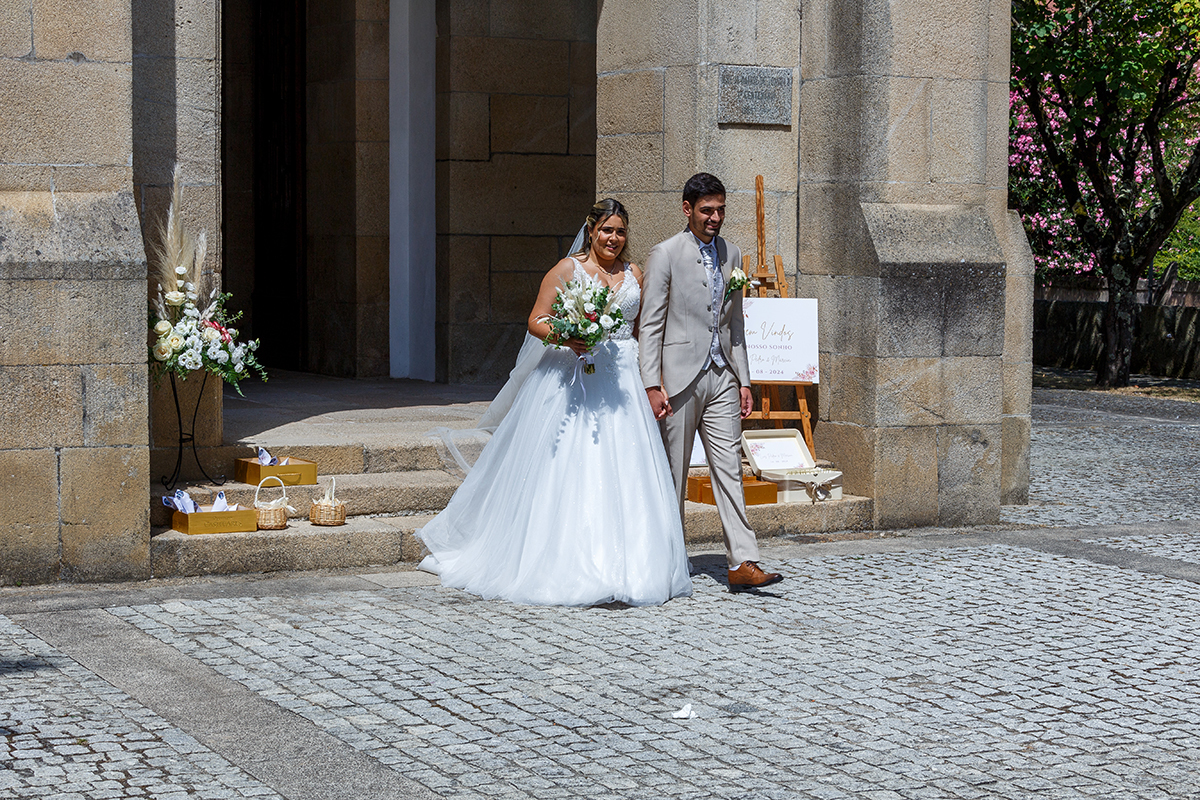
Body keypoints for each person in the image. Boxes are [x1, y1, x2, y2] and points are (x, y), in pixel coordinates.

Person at [417, 199, 693, 607]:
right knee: (572, 463)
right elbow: (536, 319)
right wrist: (568, 336)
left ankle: (630, 564)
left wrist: (652, 379)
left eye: (620, 232)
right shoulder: (568, 270)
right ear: (592, 229)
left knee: (628, 468)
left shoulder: (634, 273)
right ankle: (565, 560)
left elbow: (642, 328)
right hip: (573, 372)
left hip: (623, 377)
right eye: (606, 230)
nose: (613, 239)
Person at [639, 173, 784, 592]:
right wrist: (652, 384)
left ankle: (743, 560)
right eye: (707, 210)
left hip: (722, 376)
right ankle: (665, 560)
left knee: (729, 470)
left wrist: (744, 380)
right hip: (678, 379)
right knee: (673, 473)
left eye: (720, 210)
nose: (715, 217)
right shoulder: (664, 254)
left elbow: (735, 322)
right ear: (688, 210)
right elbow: (650, 326)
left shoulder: (732, 253)